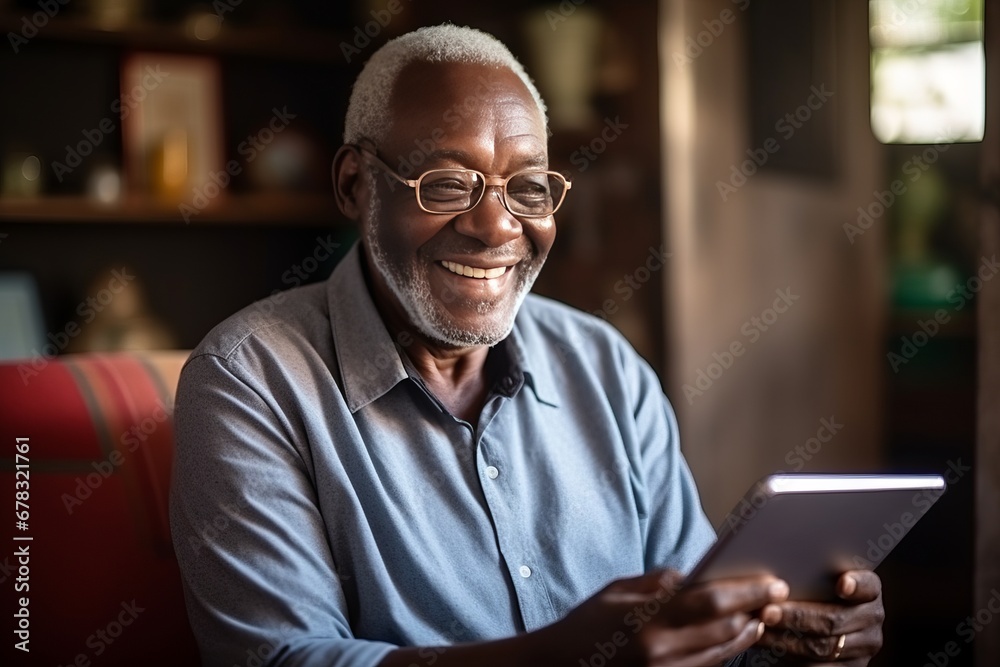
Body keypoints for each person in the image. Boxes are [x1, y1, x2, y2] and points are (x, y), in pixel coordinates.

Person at [169, 24, 884, 667]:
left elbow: (699, 624)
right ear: (356, 185)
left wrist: (786, 634)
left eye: (529, 187)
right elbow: (285, 659)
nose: (496, 227)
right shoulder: (249, 380)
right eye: (447, 183)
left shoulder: (608, 369)